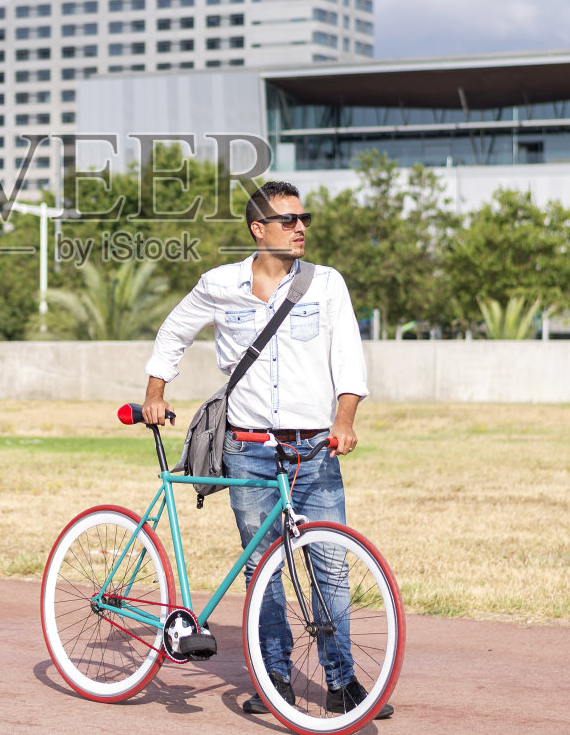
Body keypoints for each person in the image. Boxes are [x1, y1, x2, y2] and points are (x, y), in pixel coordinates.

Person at [141, 181, 391, 719]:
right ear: (259, 229)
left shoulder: (325, 284)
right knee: (262, 568)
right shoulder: (220, 284)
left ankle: (342, 682)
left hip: (314, 449)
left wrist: (344, 421)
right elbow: (174, 331)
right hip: (248, 449)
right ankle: (273, 678)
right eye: (288, 220)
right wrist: (155, 394)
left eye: (304, 219)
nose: (300, 228)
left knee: (329, 563)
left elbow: (349, 360)